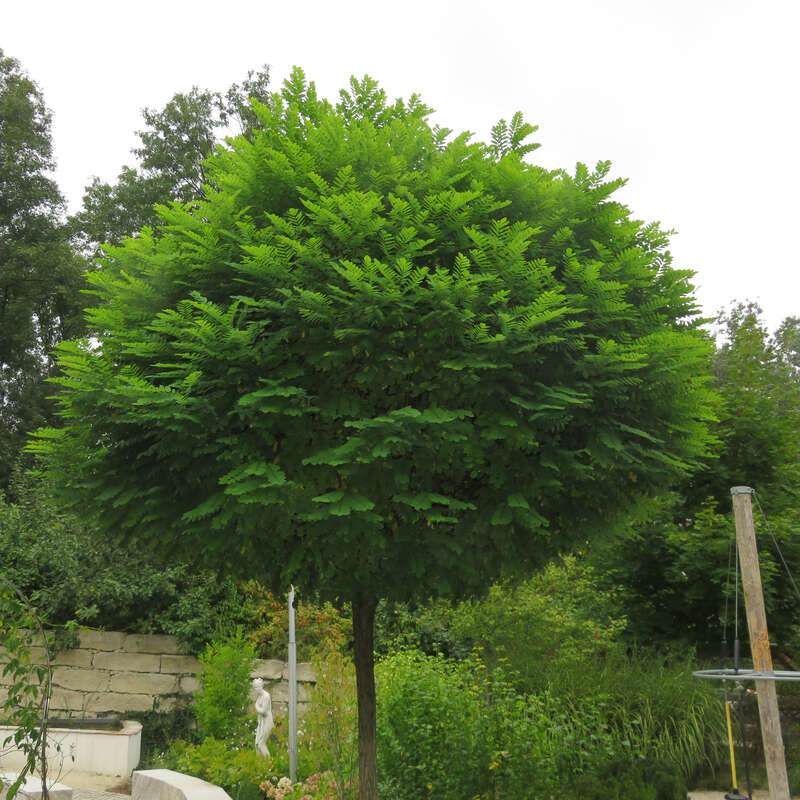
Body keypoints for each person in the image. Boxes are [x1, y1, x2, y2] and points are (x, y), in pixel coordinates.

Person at [252, 677, 274, 757]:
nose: (256, 689)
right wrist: (257, 707)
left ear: (262, 686)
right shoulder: (260, 696)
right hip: (261, 722)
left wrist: (256, 706)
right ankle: (259, 764)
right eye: (255, 687)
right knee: (257, 744)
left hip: (267, 721)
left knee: (261, 744)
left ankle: (269, 763)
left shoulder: (266, 696)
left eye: (257, 687)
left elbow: (263, 711)